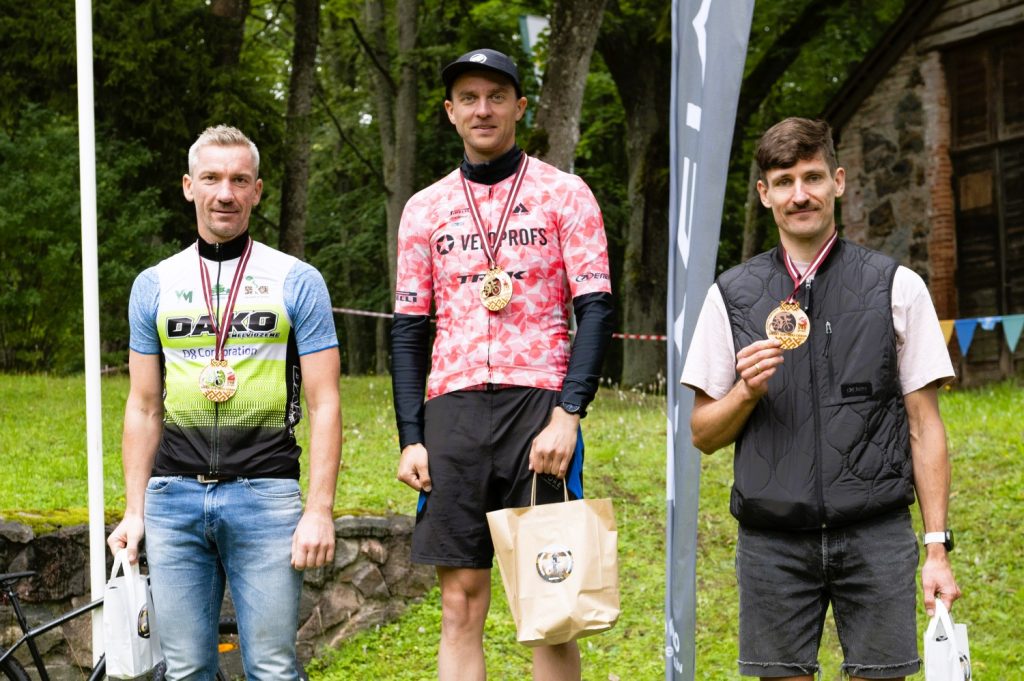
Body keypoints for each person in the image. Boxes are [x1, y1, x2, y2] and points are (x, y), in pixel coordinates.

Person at [681, 117, 960, 681]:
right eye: (784, 182)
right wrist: (746, 391)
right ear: (765, 194)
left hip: (876, 534)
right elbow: (703, 434)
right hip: (773, 541)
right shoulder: (730, 295)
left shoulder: (896, 286)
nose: (800, 195)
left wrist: (936, 548)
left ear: (838, 181)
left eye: (812, 177)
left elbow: (924, 426)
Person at [390, 48, 614, 681]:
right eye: (469, 98)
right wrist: (411, 437)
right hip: (452, 411)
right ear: (450, 112)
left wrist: (568, 414)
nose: (482, 109)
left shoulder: (565, 193)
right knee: (460, 604)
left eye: (496, 96)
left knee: (552, 603)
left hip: (538, 408)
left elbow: (596, 309)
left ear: (520, 106)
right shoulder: (424, 207)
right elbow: (408, 328)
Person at [107, 125, 341, 680]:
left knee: (273, 668)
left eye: (239, 180)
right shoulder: (154, 284)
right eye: (211, 178)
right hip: (173, 499)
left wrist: (319, 510)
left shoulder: (297, 280)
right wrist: (135, 511)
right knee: (186, 669)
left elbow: (326, 402)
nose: (225, 193)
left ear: (257, 191)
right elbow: (143, 406)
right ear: (189, 186)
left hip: (266, 496)